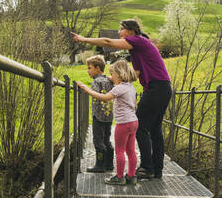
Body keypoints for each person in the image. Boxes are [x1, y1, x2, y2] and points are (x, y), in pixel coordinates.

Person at [72, 19, 172, 179]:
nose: (119, 32)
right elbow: (135, 75)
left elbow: (107, 41)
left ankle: (146, 167)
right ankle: (156, 169)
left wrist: (83, 39)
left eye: (122, 29)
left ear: (131, 31)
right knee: (154, 130)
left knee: (141, 126)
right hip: (164, 88)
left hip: (156, 88)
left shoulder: (137, 41)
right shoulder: (139, 50)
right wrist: (114, 79)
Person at [77, 59, 139, 185]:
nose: (111, 77)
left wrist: (87, 90)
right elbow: (134, 103)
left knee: (120, 150)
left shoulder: (119, 88)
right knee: (130, 150)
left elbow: (104, 98)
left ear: (119, 74)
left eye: (113, 74)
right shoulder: (130, 88)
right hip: (133, 122)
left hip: (123, 124)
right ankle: (131, 176)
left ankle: (119, 177)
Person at [84, 55, 114, 173]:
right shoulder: (109, 80)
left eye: (89, 68)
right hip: (109, 115)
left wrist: (87, 90)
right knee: (107, 140)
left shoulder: (96, 81)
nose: (88, 71)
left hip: (98, 116)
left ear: (97, 68)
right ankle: (109, 164)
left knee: (98, 141)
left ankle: (100, 165)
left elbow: (95, 94)